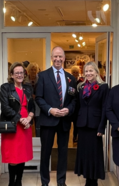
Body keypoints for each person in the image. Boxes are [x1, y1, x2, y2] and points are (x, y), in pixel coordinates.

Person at [35, 46, 78, 186]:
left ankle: (61, 182)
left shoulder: (71, 78)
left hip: (64, 121)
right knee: (45, 153)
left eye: (60, 56)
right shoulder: (42, 76)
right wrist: (50, 110)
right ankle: (45, 182)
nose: (58, 59)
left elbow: (74, 100)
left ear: (64, 59)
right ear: (51, 58)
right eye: (55, 56)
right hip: (48, 120)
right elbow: (39, 98)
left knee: (63, 153)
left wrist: (68, 110)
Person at [0, 62, 35, 186]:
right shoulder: (5, 88)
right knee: (13, 157)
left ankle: (18, 181)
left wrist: (29, 118)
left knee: (22, 156)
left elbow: (32, 106)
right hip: (13, 124)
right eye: (17, 73)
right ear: (12, 75)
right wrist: (20, 119)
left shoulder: (28, 87)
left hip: (25, 126)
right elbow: (5, 107)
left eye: (21, 72)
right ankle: (11, 182)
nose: (19, 75)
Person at [74, 61, 109, 186]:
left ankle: (93, 182)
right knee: (85, 154)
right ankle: (87, 180)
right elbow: (78, 107)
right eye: (86, 71)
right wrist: (75, 130)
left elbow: (105, 108)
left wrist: (102, 127)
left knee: (94, 154)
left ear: (96, 72)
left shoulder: (103, 87)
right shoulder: (81, 87)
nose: (88, 73)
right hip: (82, 125)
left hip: (95, 126)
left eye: (91, 71)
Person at [25, 62, 41, 137]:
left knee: (38, 124)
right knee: (28, 123)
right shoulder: (25, 81)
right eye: (31, 69)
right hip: (28, 104)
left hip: (38, 105)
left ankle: (38, 140)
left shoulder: (40, 80)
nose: (33, 71)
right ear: (28, 70)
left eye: (35, 70)